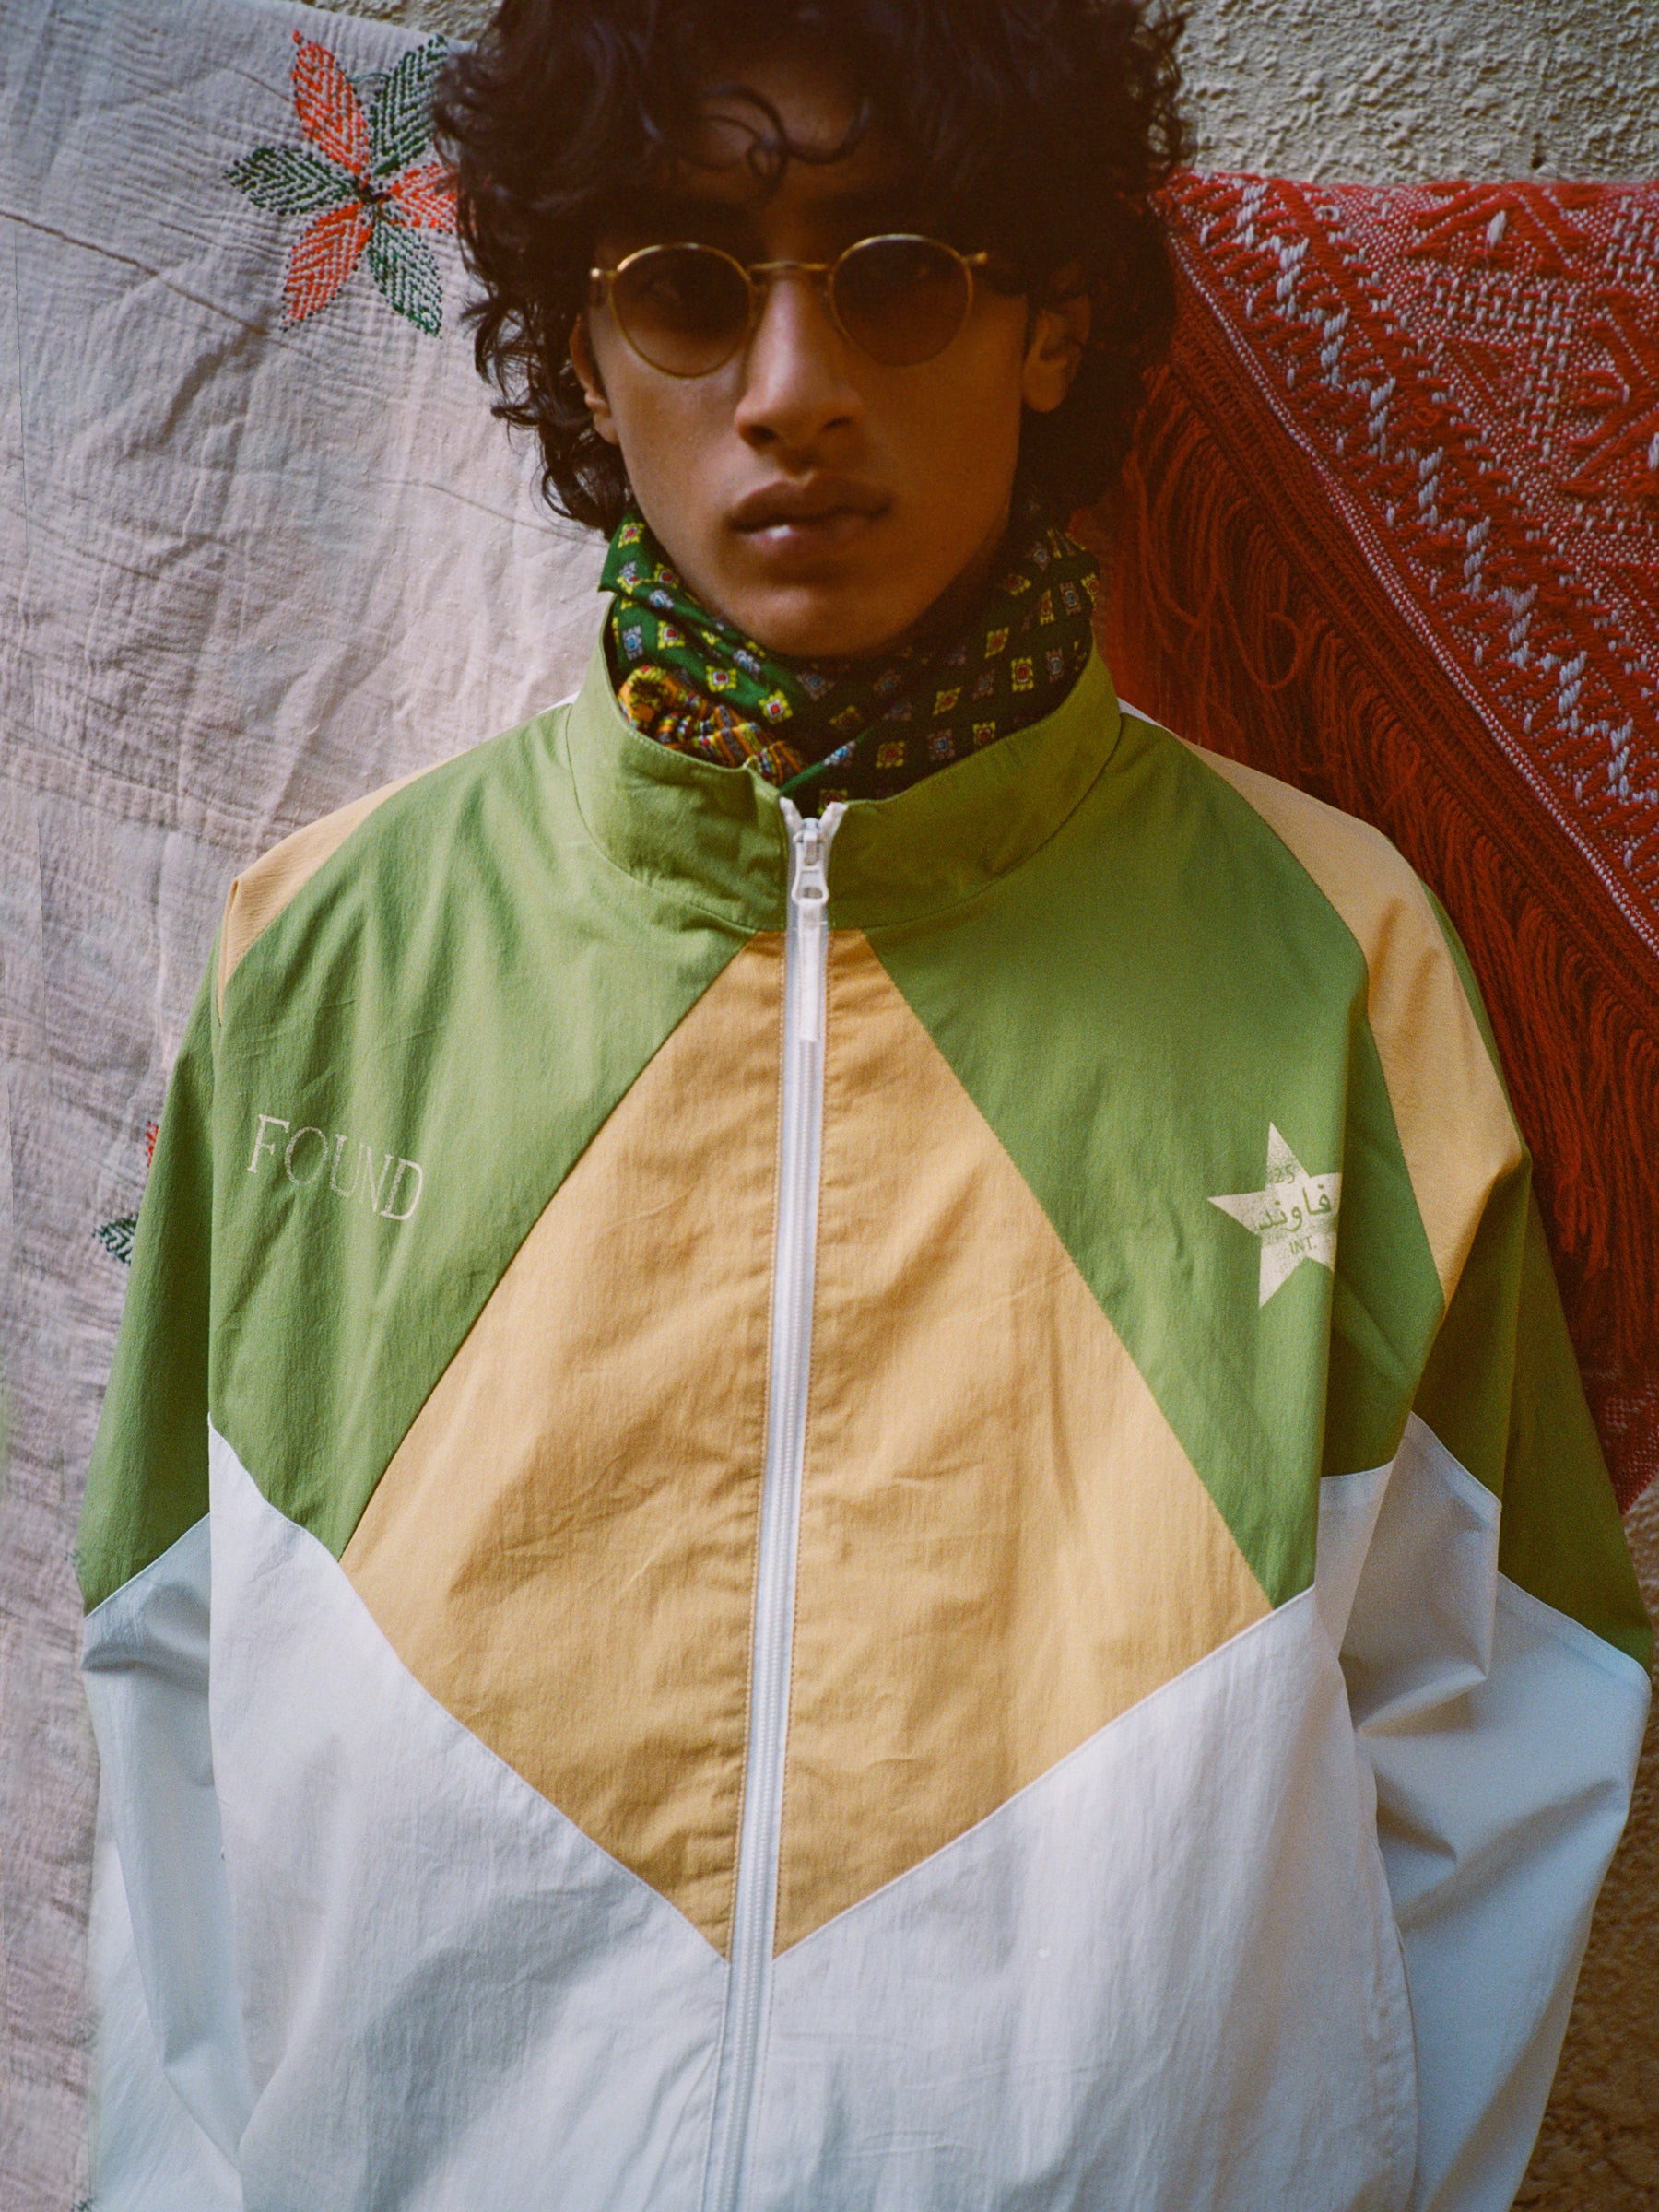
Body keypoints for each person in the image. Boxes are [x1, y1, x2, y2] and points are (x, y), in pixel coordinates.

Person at [78, 2, 1651, 2206]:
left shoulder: (1337, 968)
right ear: (580, 346)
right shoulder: (324, 963)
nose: (793, 388)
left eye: (896, 268)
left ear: (1047, 320)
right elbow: (168, 1731)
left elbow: (1505, 1740)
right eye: (689, 286)